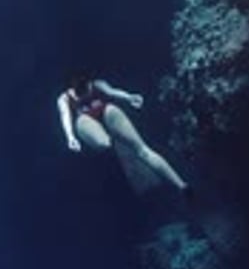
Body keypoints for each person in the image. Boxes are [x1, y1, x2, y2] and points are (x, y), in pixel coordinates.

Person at [57, 76, 190, 196]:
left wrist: (129, 97)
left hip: (105, 111)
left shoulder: (97, 84)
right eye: (80, 93)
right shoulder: (64, 99)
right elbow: (65, 116)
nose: (84, 95)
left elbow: (112, 91)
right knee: (103, 142)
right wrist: (70, 137)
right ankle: (111, 142)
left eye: (86, 89)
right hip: (86, 120)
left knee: (143, 150)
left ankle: (182, 186)